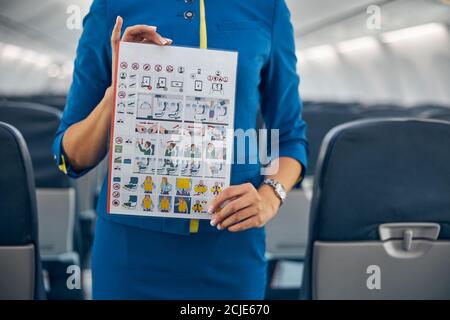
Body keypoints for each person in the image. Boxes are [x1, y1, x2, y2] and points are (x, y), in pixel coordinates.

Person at [52, 0, 308, 299]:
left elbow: (290, 136)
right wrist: (118, 90)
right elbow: (70, 156)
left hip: (231, 252)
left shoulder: (267, 8)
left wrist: (270, 197)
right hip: (130, 254)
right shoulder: (112, 7)